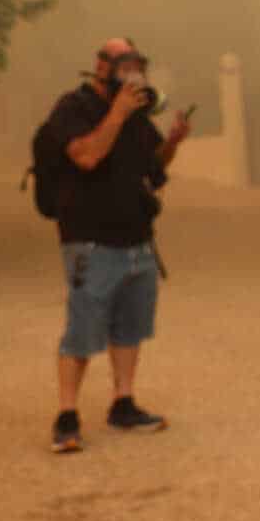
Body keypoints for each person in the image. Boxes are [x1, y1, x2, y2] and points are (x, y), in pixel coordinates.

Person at [42, 37, 191, 454]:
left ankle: (123, 403)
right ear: (101, 65)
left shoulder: (139, 116)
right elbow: (86, 156)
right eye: (123, 63)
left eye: (137, 63)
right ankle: (66, 416)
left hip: (137, 240)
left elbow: (153, 168)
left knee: (130, 328)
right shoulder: (73, 107)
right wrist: (117, 113)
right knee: (83, 328)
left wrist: (173, 141)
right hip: (89, 240)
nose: (132, 71)